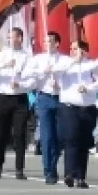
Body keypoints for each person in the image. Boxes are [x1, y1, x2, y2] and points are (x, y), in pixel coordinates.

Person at [0, 28, 31, 179]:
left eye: (13, 37)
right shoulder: (1, 55)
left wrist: (21, 85)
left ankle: (19, 168)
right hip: (3, 97)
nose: (10, 40)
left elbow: (32, 79)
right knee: (1, 133)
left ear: (20, 38)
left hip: (20, 98)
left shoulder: (27, 57)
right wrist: (4, 65)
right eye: (9, 37)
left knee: (19, 133)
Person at [57, 40, 98, 189]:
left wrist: (89, 88)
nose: (71, 51)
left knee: (84, 142)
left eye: (75, 49)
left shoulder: (91, 66)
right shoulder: (65, 63)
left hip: (87, 107)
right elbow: (56, 71)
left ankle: (81, 176)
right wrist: (73, 62)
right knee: (71, 139)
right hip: (69, 107)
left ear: (83, 51)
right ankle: (69, 173)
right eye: (70, 48)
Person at [25, 32, 69, 185]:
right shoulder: (38, 60)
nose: (47, 44)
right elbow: (26, 73)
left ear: (57, 43)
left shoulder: (64, 59)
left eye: (50, 41)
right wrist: (42, 71)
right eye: (45, 41)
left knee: (59, 137)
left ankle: (54, 163)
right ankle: (48, 170)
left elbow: (69, 77)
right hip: (44, 98)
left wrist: (60, 85)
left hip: (60, 98)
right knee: (47, 136)